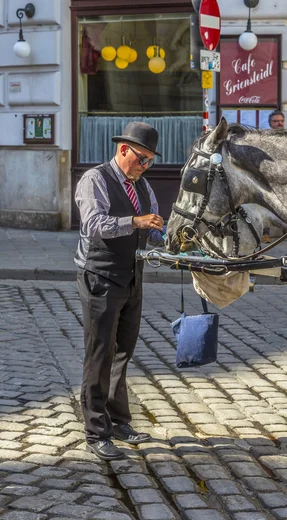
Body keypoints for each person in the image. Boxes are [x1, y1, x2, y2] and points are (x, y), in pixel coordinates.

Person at [74, 122, 165, 461]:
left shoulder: (143, 186)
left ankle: (119, 421)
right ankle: (96, 432)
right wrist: (136, 222)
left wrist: (174, 240)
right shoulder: (95, 179)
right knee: (99, 355)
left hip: (131, 277)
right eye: (142, 159)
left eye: (150, 162)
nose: (144, 166)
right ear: (123, 149)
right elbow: (93, 225)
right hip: (99, 277)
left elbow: (154, 230)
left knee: (123, 351)